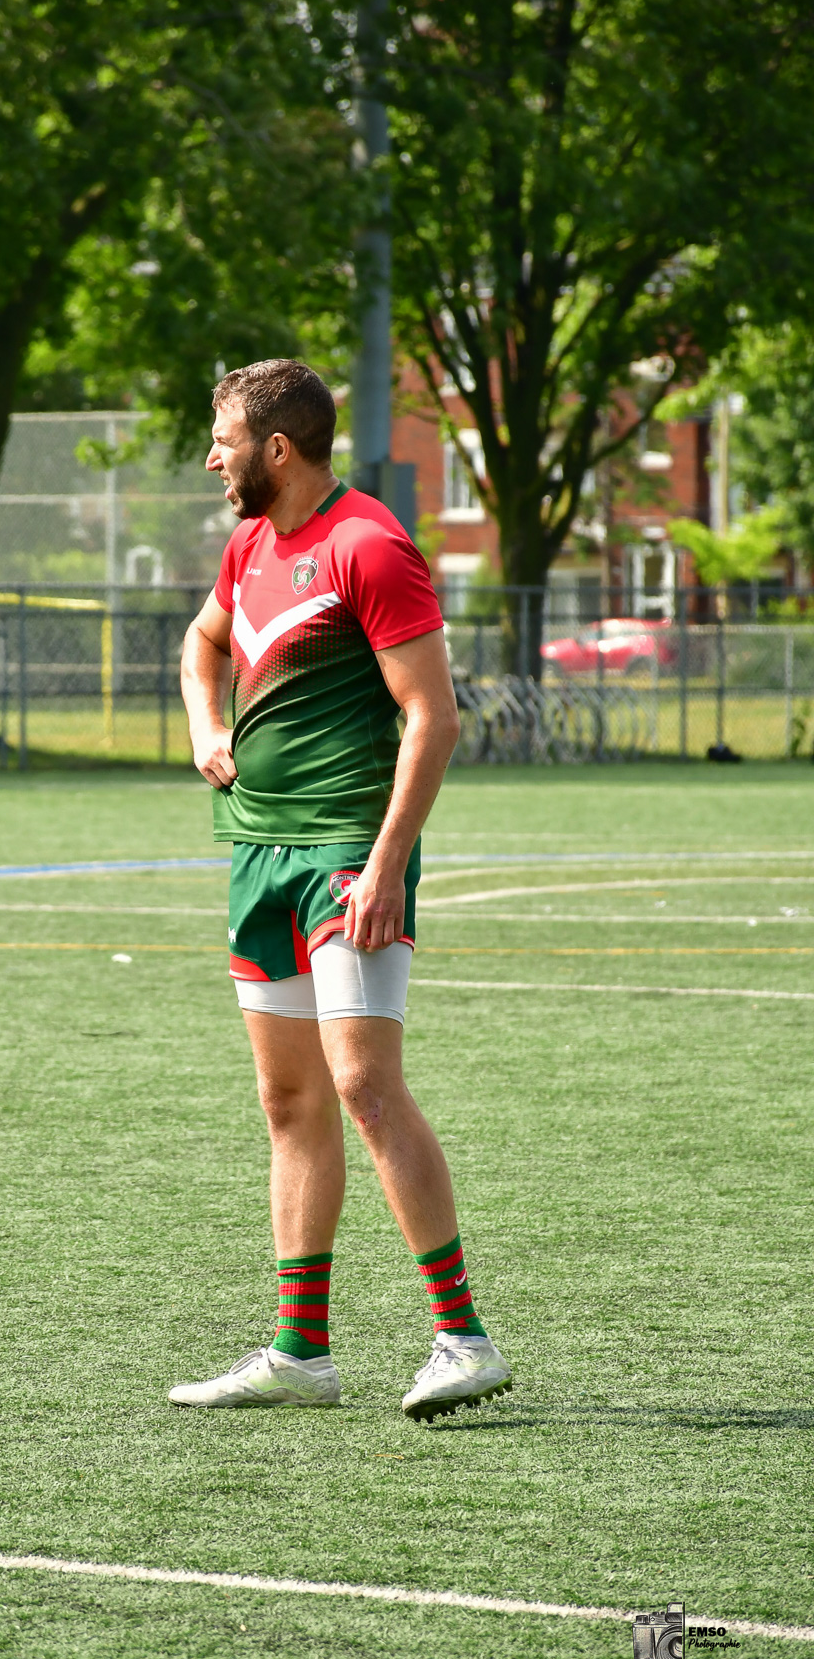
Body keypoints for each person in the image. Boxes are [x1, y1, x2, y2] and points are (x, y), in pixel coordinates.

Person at [172, 359, 512, 1420]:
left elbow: (434, 716)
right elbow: (202, 642)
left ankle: (463, 1340)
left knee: (363, 1085)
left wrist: (384, 862)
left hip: (346, 857)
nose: (212, 456)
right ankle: (299, 1354)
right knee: (289, 1100)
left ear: (278, 448)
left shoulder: (371, 545)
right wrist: (208, 727)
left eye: (222, 438)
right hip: (258, 856)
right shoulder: (248, 546)